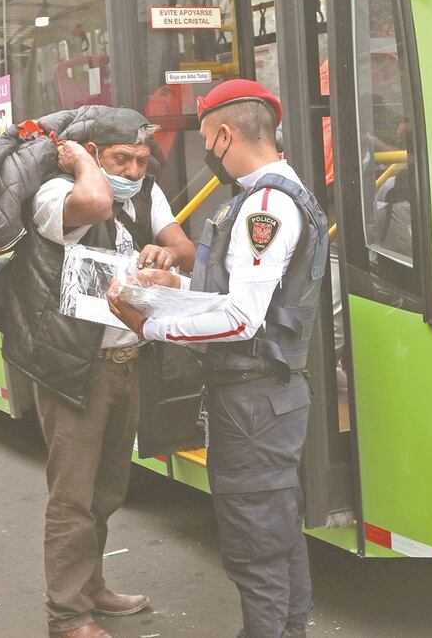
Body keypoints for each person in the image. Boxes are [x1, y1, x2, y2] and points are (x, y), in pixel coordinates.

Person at [107, 79, 328, 638]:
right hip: (266, 399)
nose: (208, 152)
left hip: (253, 404)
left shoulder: (266, 207)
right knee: (277, 534)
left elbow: (241, 319)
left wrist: (150, 324)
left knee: (255, 544)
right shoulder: (279, 195)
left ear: (225, 135)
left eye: (208, 139)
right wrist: (175, 280)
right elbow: (243, 296)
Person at [4, 107, 194, 638]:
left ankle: (91, 588)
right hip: (73, 368)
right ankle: (67, 616)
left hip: (125, 362)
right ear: (90, 154)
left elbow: (187, 249)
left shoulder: (147, 194)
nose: (134, 171)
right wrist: (80, 165)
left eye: (141, 160)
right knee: (72, 498)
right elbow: (92, 202)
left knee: (107, 492)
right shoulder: (53, 192)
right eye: (120, 159)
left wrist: (167, 254)